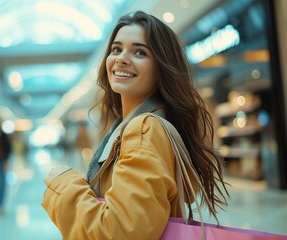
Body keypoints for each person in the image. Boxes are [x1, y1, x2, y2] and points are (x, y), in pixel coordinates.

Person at [41, 10, 229, 239]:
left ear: (161, 67)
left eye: (139, 52)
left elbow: (119, 231)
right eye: (116, 49)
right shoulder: (132, 127)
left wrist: (64, 183)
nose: (121, 58)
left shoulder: (144, 130)